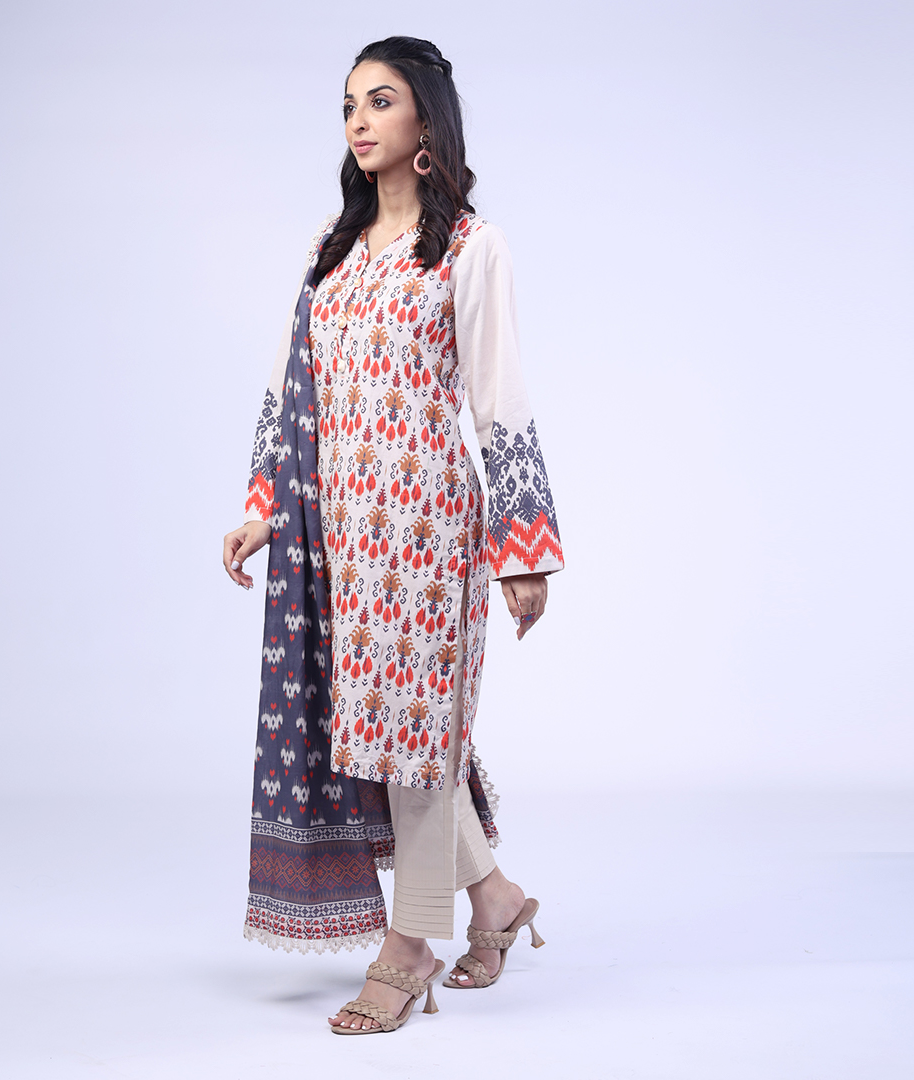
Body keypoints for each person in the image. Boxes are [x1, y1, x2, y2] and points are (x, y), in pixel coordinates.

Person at [223, 36, 563, 1034]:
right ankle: (496, 902)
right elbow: (289, 386)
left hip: (427, 532)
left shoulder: (469, 247)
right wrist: (262, 505)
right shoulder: (331, 249)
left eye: (379, 100)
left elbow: (499, 396)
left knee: (417, 739)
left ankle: (408, 949)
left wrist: (523, 551)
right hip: (338, 534)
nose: (358, 120)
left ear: (426, 120)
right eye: (347, 105)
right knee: (383, 734)